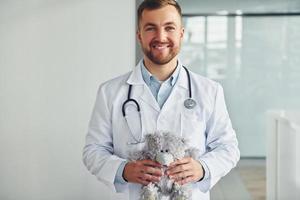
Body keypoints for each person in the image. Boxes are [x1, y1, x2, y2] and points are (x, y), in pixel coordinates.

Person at [82, 0, 240, 199]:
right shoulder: (110, 92)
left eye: (169, 27)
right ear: (139, 35)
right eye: (150, 28)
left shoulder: (210, 91)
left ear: (181, 33)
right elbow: (93, 150)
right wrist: (123, 169)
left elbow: (229, 148)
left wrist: (202, 167)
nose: (161, 36)